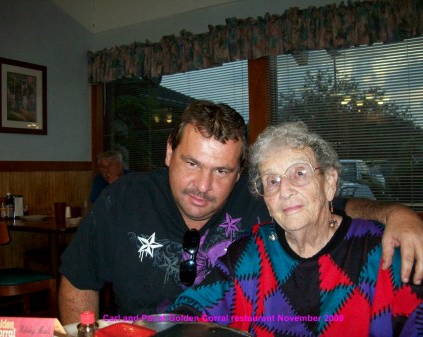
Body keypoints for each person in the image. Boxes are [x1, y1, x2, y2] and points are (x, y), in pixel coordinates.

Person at [59, 100, 423, 324]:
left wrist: (396, 213)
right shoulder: (124, 198)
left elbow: (329, 209)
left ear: (240, 175)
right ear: (169, 152)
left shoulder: (265, 201)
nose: (203, 185)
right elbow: (79, 281)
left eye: (221, 171)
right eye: (191, 163)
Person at [168, 121, 423, 336]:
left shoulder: (381, 251)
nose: (285, 190)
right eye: (272, 180)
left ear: (329, 183)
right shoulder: (249, 252)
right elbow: (191, 311)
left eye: (299, 173)